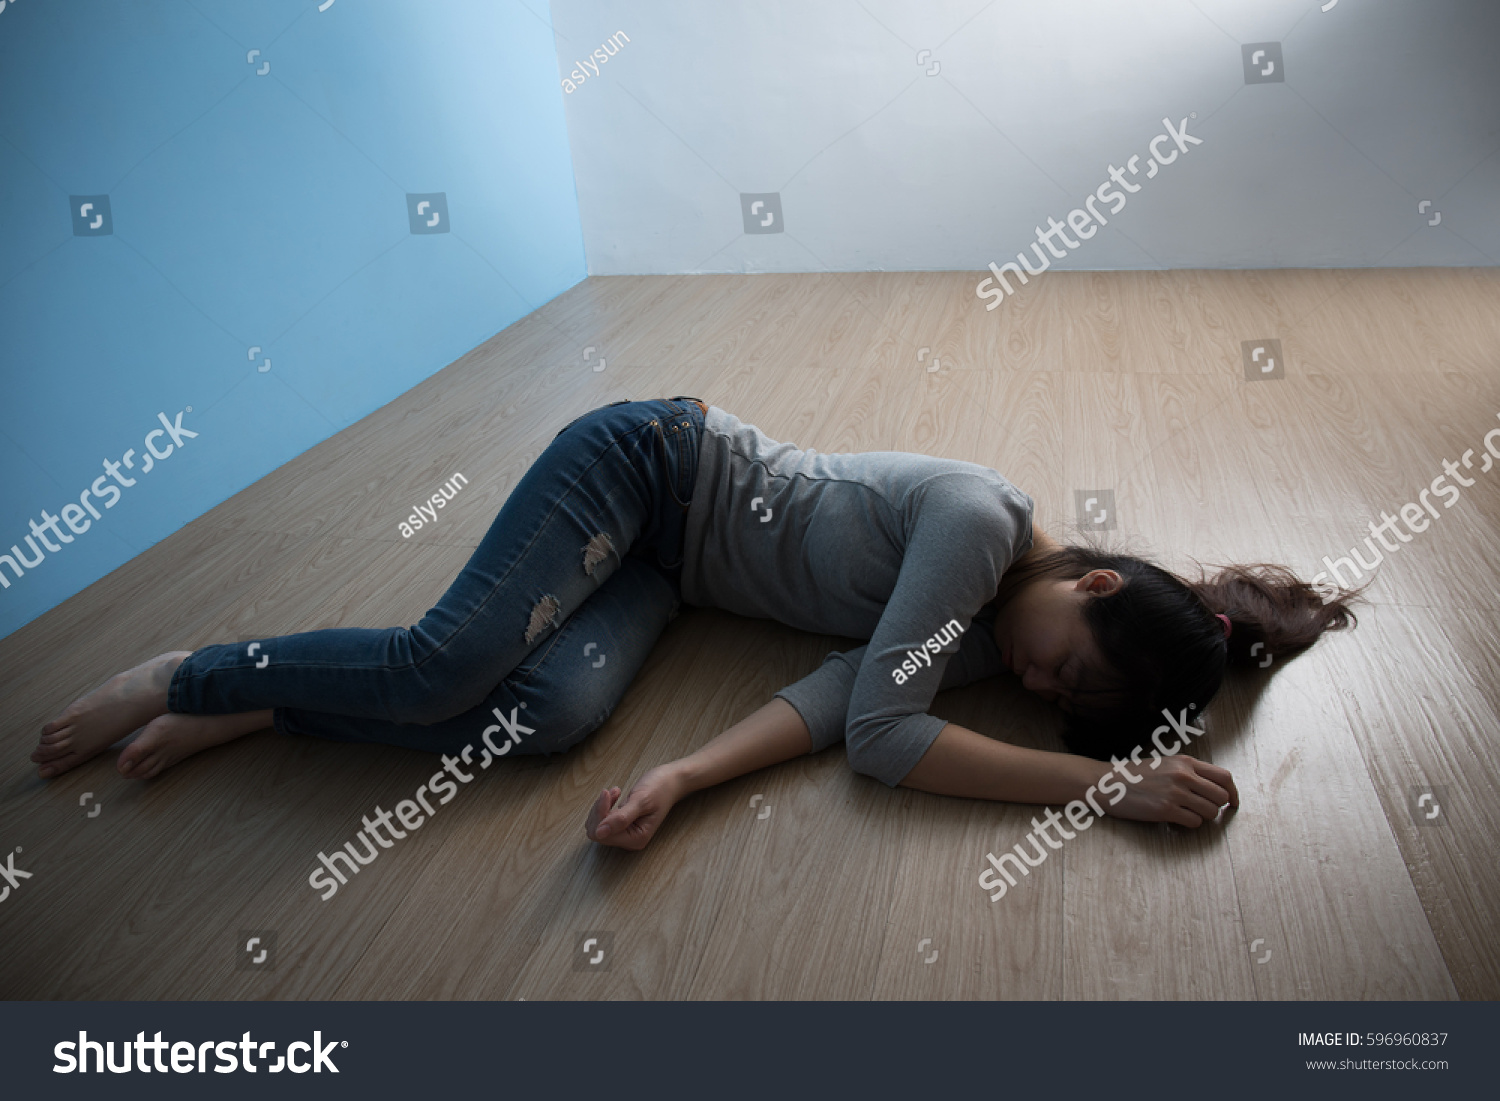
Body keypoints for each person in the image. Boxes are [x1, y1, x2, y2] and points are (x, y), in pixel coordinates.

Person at [31, 397, 1358, 851]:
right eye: (1057, 663)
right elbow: (889, 741)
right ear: (1096, 583)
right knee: (449, 661)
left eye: (1051, 695)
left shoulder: (977, 622)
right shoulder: (975, 529)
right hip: (645, 471)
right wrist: (1100, 788)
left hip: (670, 571)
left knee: (549, 718)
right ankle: (193, 669)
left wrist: (680, 772)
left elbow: (852, 700)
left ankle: (281, 701)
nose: (1025, 677)